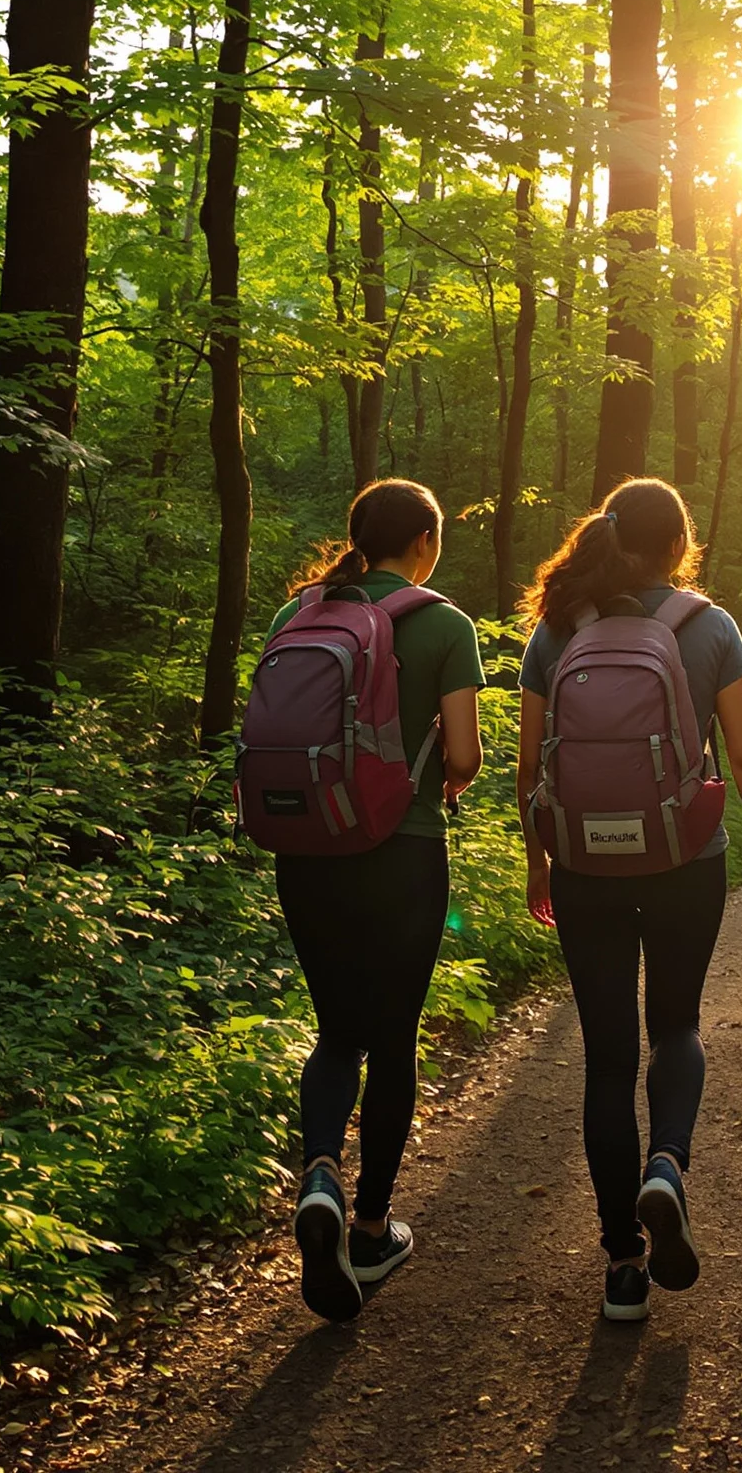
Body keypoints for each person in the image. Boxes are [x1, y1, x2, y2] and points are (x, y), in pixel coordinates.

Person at [515, 478, 742, 1323]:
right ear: (680, 544)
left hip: (584, 865)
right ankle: (667, 1166)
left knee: (606, 1054)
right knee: (676, 1024)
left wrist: (539, 862)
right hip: (682, 855)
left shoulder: (556, 626)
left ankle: (624, 1266)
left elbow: (530, 771)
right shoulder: (709, 627)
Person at [267, 480, 484, 1322]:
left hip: (307, 850)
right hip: (402, 853)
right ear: (425, 540)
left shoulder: (299, 616)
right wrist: (443, 778)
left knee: (335, 1033)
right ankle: (368, 1227)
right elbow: (462, 752)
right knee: (393, 1039)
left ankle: (319, 1170)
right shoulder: (443, 622)